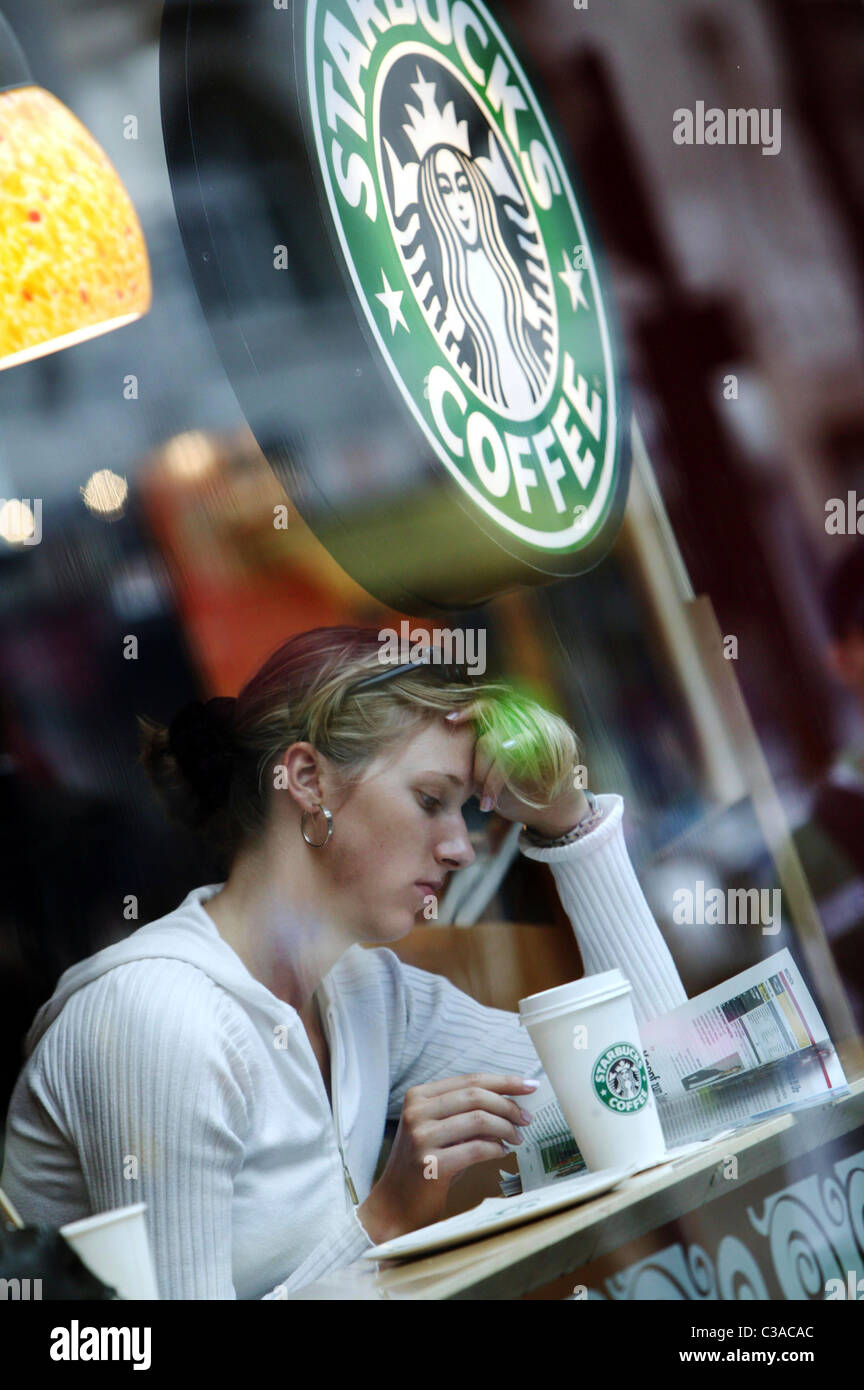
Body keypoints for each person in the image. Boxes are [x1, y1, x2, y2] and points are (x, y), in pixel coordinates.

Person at [1, 626, 686, 1299]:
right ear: (306, 779)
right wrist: (384, 1220)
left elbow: (669, 1091)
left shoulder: (367, 995)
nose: (461, 849)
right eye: (429, 801)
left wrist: (568, 822)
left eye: (464, 812)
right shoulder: (160, 1020)